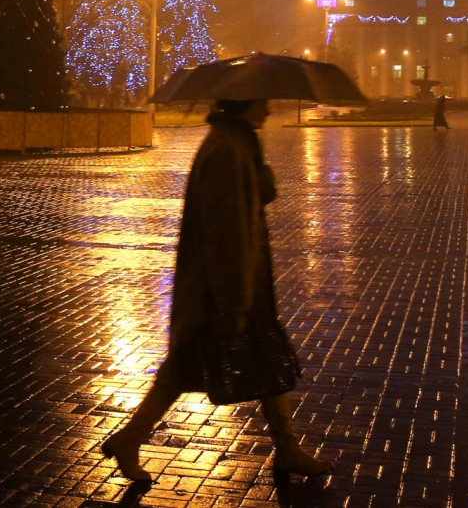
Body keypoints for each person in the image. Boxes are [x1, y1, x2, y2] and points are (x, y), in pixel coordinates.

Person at [100, 97, 332, 485]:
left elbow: (254, 197)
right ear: (244, 103)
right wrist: (233, 304)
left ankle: (287, 447)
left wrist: (261, 170)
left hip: (237, 285)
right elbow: (226, 233)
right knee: (195, 368)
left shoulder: (238, 143)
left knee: (263, 364)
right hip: (225, 290)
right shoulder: (226, 150)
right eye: (263, 102)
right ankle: (130, 439)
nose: (269, 110)